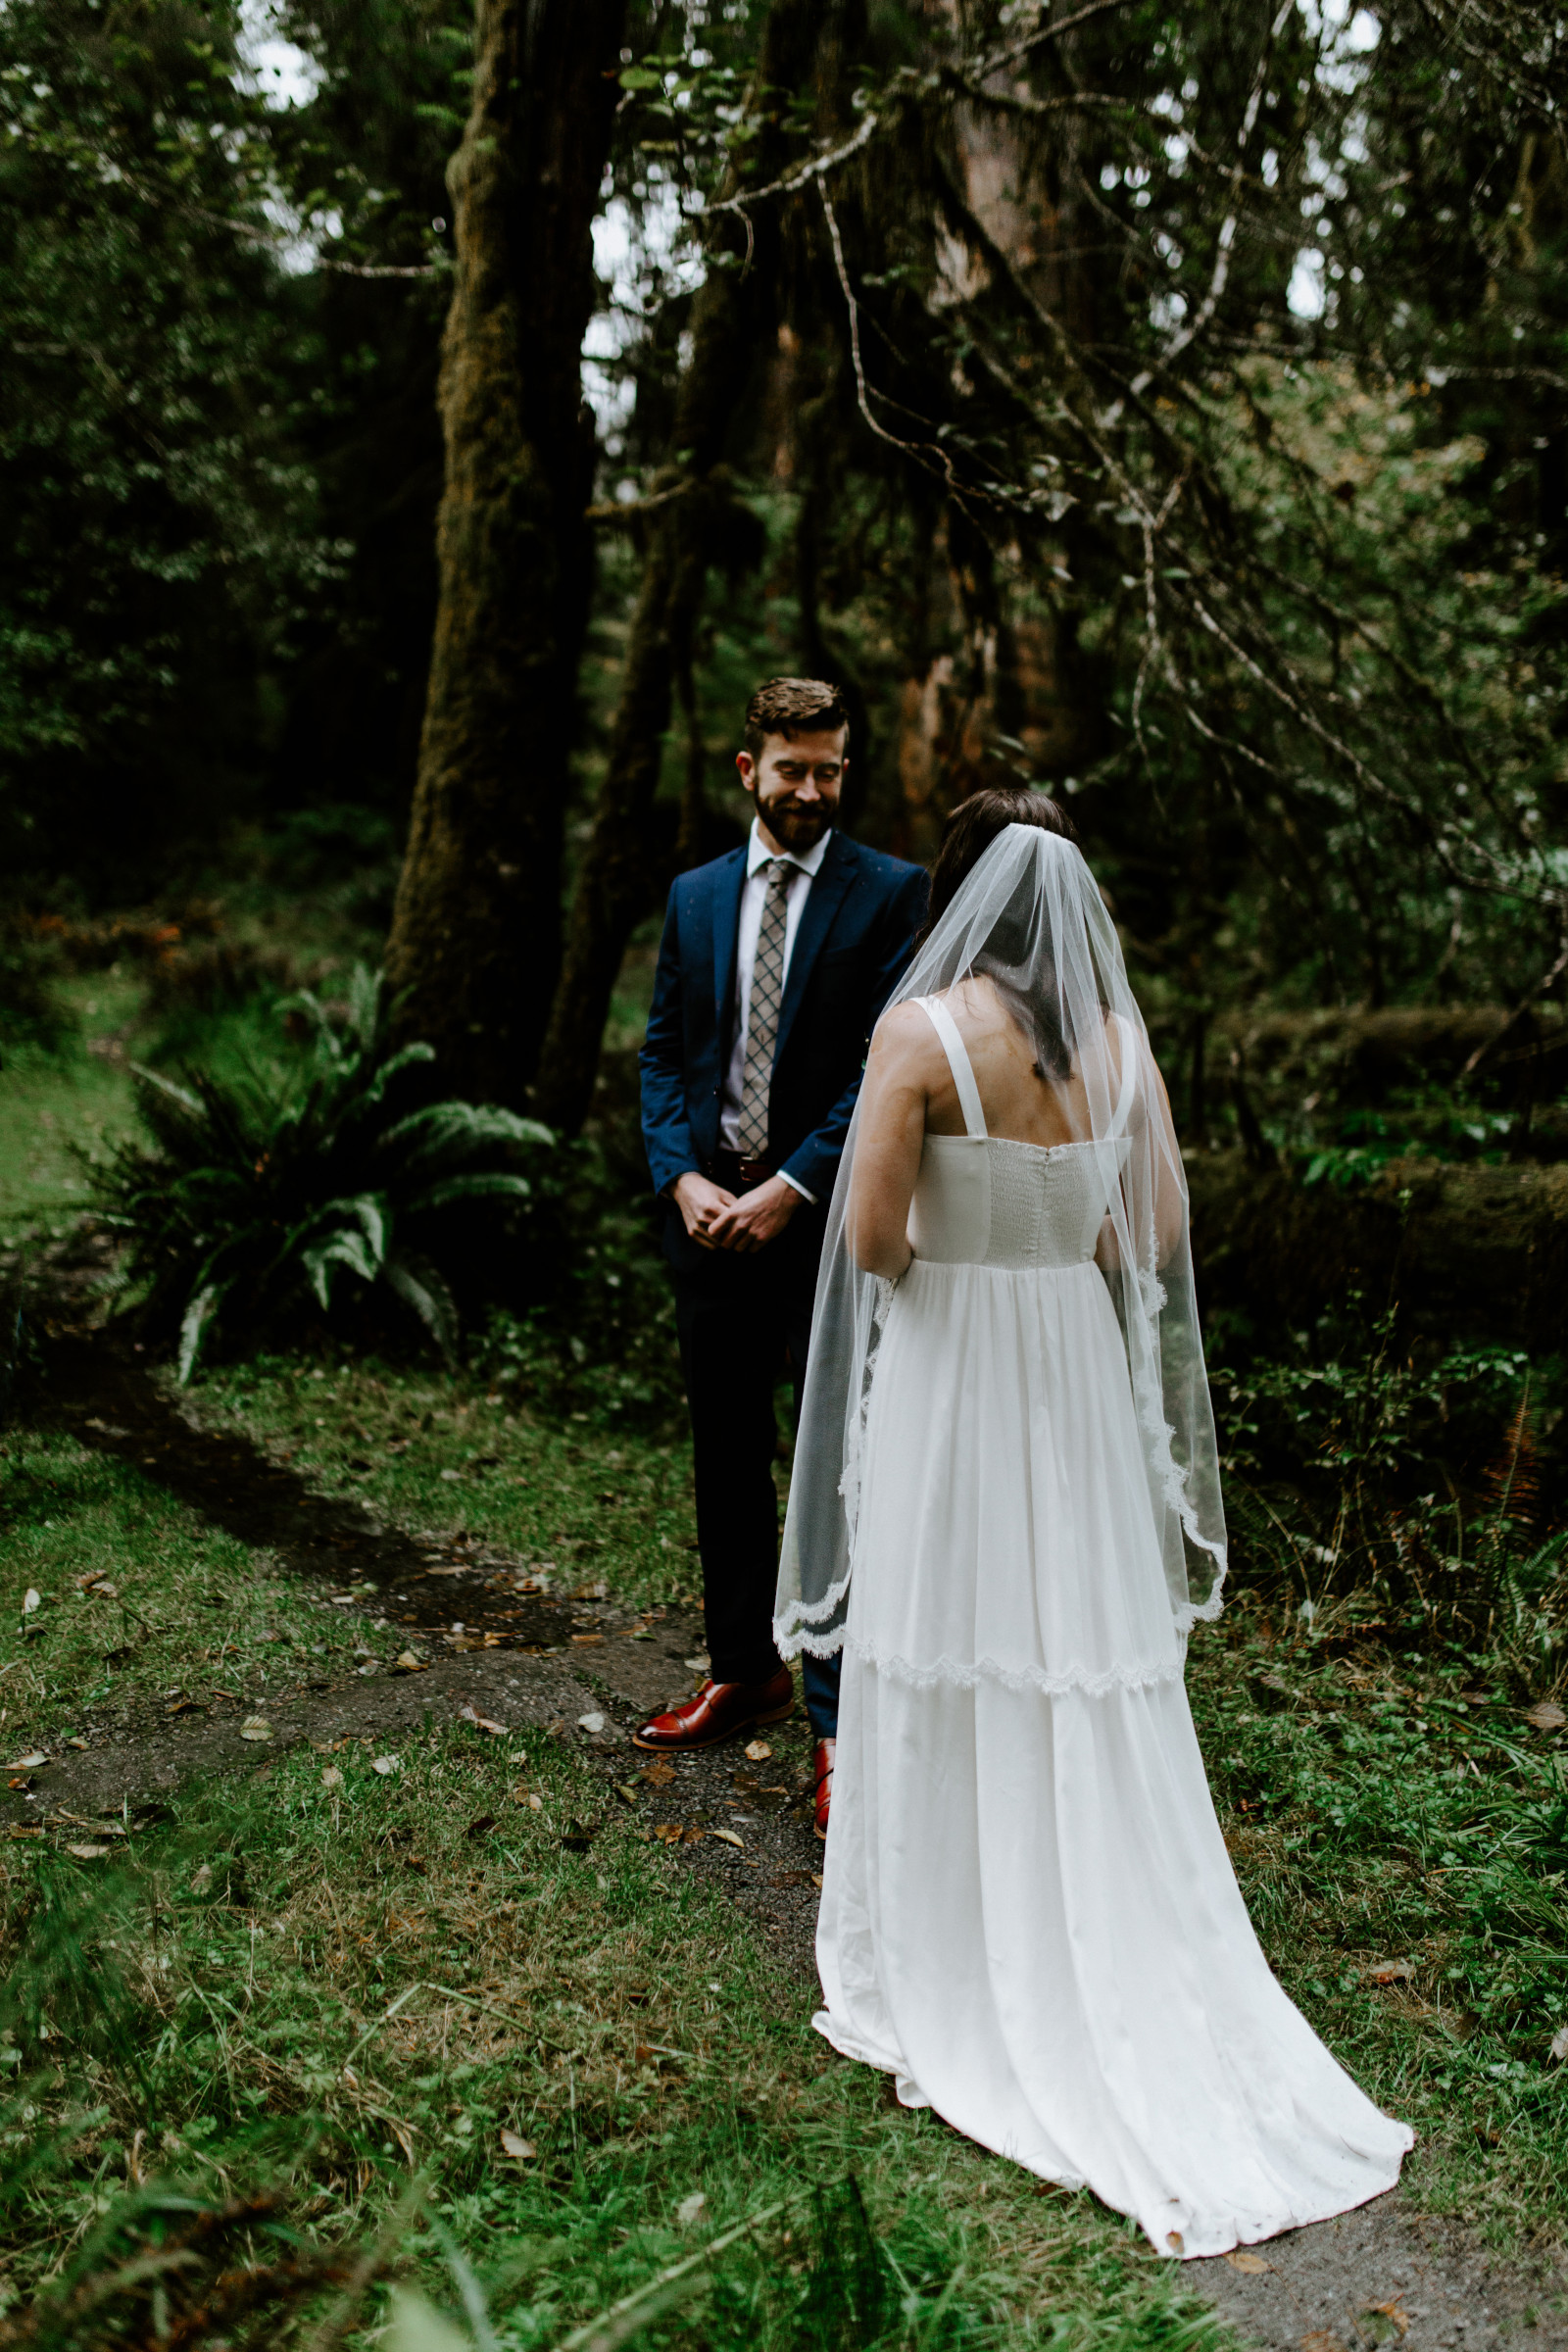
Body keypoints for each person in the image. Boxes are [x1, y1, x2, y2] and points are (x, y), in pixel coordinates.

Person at [774, 786, 1412, 2258]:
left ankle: (946, 1942)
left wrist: (960, 1224)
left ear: (958, 896)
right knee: (1071, 1630)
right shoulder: (1119, 1047)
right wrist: (1056, 1229)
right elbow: (1159, 1234)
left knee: (949, 1623)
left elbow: (870, 1238)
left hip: (954, 1353)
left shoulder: (919, 1036)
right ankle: (1092, 1919)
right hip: (1065, 1349)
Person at [635, 677, 928, 1835]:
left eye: (830, 770)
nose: (812, 790)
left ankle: (836, 1724)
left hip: (821, 1233)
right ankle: (741, 1666)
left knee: (833, 1471)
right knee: (722, 1456)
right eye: (792, 768)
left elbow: (880, 1068)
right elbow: (664, 1051)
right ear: (746, 767)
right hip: (707, 1228)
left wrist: (793, 1186)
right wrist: (685, 1176)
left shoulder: (891, 893)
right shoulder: (694, 895)